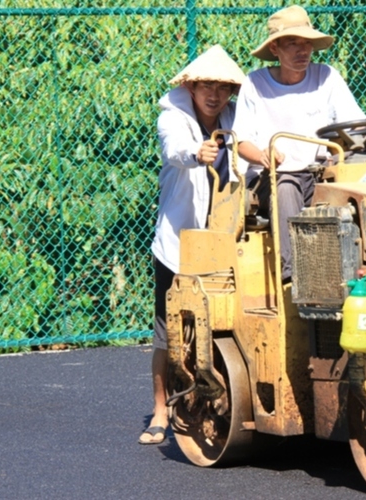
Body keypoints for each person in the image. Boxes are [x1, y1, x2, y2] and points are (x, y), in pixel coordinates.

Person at [232, 5, 366, 283]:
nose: (302, 50)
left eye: (306, 43)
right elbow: (241, 141)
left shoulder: (326, 76)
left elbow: (355, 124)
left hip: (324, 174)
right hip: (274, 177)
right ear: (275, 49)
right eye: (293, 43)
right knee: (285, 188)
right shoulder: (255, 84)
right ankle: (296, 278)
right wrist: (263, 155)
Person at [139, 45, 246, 445]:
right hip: (179, 244)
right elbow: (174, 151)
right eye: (206, 86)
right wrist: (196, 152)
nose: (214, 95)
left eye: (222, 87)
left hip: (224, 243)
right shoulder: (173, 118)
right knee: (168, 335)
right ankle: (161, 412)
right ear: (192, 87)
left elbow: (254, 147)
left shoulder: (236, 119)